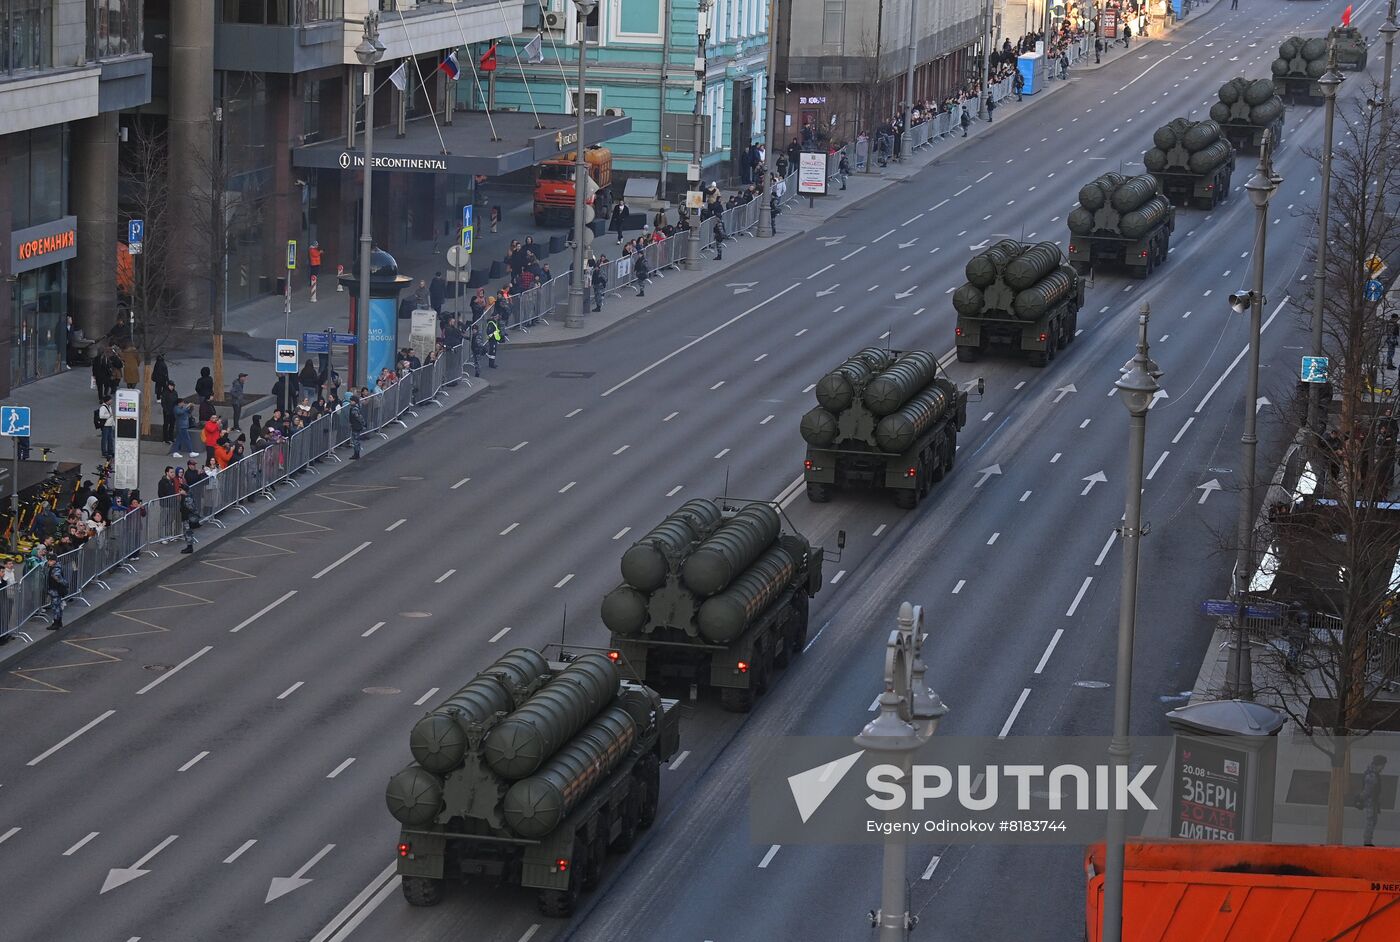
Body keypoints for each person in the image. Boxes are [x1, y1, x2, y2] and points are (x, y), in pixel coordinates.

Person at [1360, 755, 1388, 846]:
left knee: (1372, 822)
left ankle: (1368, 842)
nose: (1383, 768)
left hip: (1373, 803)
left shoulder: (1373, 774)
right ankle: (1367, 843)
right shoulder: (1371, 775)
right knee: (1370, 822)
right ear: (1379, 764)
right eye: (1383, 765)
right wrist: (1360, 799)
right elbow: (1367, 791)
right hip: (1370, 803)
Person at [45, 556, 69, 629]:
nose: (49, 562)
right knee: (57, 607)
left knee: (56, 607)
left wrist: (65, 584)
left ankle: (56, 623)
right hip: (56, 590)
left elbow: (59, 579)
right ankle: (58, 622)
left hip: (55, 591)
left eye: (50, 561)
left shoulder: (55, 569)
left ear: (54, 561)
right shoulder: (56, 567)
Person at [178, 485, 199, 554]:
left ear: (185, 491)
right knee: (187, 532)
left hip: (188, 518)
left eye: (181, 490)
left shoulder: (188, 498)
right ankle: (189, 546)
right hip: (186, 517)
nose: (179, 491)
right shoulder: (185, 497)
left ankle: (190, 547)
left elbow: (191, 508)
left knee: (188, 532)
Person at [348, 392, 366, 459]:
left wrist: (363, 423)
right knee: (356, 440)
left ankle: (356, 454)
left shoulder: (354, 409)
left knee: (355, 440)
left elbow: (358, 417)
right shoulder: (355, 407)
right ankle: (356, 454)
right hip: (356, 425)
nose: (350, 401)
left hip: (356, 426)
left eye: (352, 400)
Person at [97, 394, 115, 460]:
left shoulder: (109, 406)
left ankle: (110, 451)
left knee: (110, 439)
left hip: (109, 425)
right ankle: (104, 452)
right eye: (110, 399)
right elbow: (101, 416)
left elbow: (111, 416)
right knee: (104, 439)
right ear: (107, 401)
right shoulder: (103, 407)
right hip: (105, 426)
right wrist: (109, 415)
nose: (112, 400)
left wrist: (113, 424)